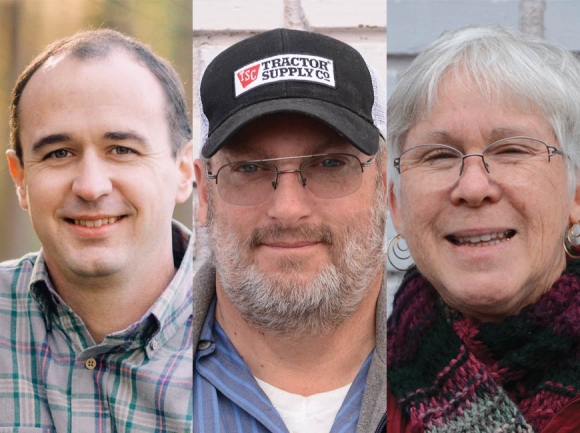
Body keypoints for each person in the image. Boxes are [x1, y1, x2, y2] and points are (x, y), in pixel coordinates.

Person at [387, 25, 580, 432]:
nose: (473, 187)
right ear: (397, 206)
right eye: (438, 155)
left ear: (575, 195)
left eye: (511, 150)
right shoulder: (353, 387)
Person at [192, 28, 386, 432]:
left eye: (330, 164)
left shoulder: (469, 375)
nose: (288, 210)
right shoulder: (132, 382)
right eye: (249, 169)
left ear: (383, 182)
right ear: (205, 195)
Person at [2, 29, 194, 431]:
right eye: (59, 153)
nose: (90, 186)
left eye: (121, 150)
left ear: (183, 171)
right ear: (20, 179)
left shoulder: (249, 333)